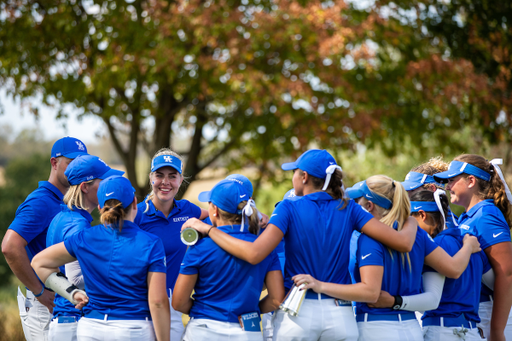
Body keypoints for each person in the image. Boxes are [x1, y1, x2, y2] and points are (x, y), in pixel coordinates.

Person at [182, 149, 424, 341]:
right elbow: (403, 243)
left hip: (298, 314)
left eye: (294, 171)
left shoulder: (288, 207)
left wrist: (210, 229)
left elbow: (254, 253)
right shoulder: (349, 208)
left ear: (304, 177)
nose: (293, 176)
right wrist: (411, 220)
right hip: (340, 316)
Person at [293, 176, 481, 341]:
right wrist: (468, 247)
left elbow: (370, 293)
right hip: (411, 328)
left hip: (375, 328)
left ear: (369, 206)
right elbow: (454, 269)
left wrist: (319, 285)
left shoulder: (369, 238)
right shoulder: (417, 233)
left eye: (358, 201)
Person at [31, 175, 170, 341]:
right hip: (133, 328)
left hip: (91, 328)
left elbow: (39, 263)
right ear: (134, 202)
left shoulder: (85, 238)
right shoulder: (151, 243)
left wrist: (71, 293)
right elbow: (158, 302)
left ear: (100, 207)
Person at [172, 179, 284, 340]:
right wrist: (251, 312)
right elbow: (276, 298)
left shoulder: (200, 246)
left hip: (204, 330)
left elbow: (178, 302)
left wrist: (206, 311)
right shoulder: (264, 246)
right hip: (247, 332)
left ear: (215, 210)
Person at [1, 136, 88, 341]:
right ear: (54, 163)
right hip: (45, 305)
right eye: (70, 163)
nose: (77, 169)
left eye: (81, 164)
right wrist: (40, 291)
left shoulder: (72, 201)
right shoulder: (41, 201)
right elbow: (10, 246)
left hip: (67, 302)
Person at [45, 154, 124, 341]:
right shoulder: (78, 225)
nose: (107, 188)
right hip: (73, 320)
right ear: (85, 187)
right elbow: (76, 279)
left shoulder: (62, 216)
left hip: (65, 319)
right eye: (102, 182)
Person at [434, 155, 512, 341]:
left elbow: (507, 274)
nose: (447, 186)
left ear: (471, 181)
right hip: (482, 312)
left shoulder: (487, 215)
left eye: (452, 180)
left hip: (494, 313)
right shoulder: (469, 216)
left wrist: (497, 330)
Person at [135, 148, 208, 340]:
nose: (165, 182)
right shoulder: (137, 214)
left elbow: (221, 217)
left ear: (181, 179)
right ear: (151, 177)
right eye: (159, 175)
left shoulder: (187, 209)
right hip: (140, 305)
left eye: (172, 176)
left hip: (174, 307)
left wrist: (258, 217)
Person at [402, 156, 459, 229]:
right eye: (407, 191)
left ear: (432, 189)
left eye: (413, 190)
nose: (409, 196)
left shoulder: (448, 225)